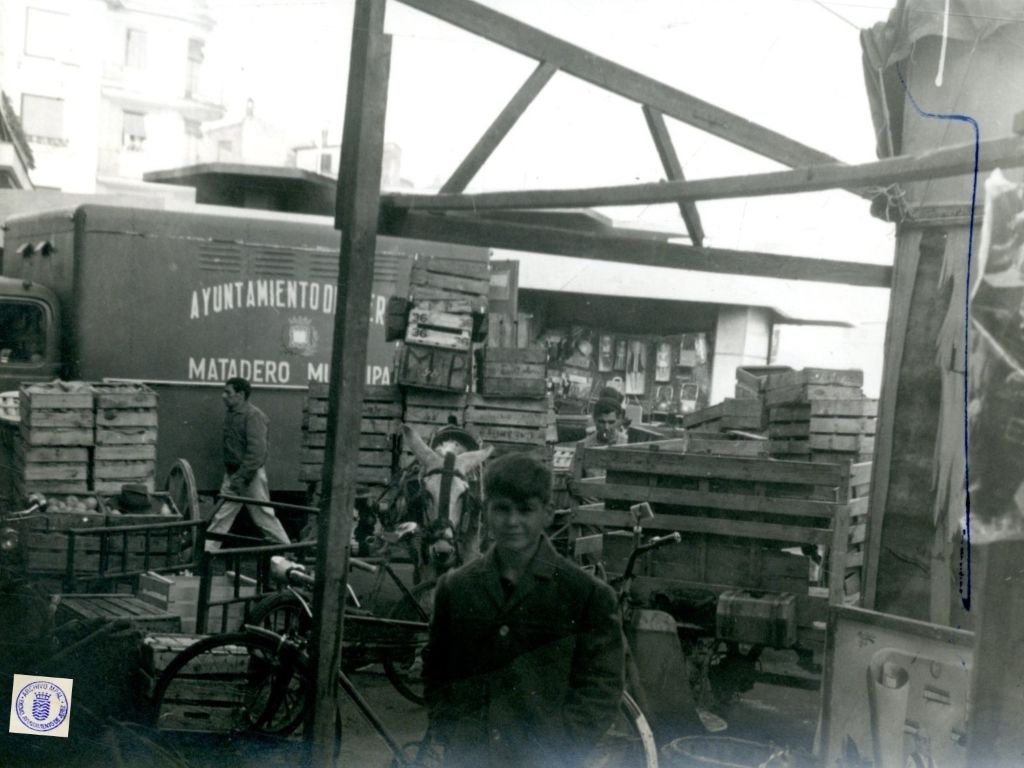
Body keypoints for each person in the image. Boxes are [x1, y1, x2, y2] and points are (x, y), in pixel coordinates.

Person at [419, 453, 624, 768]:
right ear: (485, 512)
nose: (512, 522)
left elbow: (601, 687)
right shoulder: (455, 590)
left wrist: (561, 746)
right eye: (501, 509)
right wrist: (452, 730)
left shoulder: (586, 596)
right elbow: (436, 670)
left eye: (525, 510)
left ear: (548, 513)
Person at [205, 377, 290, 551]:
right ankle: (206, 554)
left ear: (241, 394)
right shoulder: (233, 413)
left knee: (263, 515)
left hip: (249, 476)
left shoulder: (254, 416)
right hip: (235, 475)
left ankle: (288, 551)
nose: (223, 396)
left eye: (228, 392)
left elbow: (257, 453)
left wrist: (241, 477)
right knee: (224, 516)